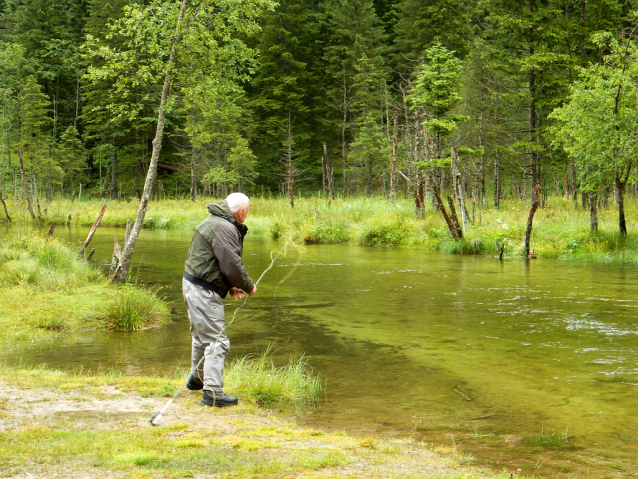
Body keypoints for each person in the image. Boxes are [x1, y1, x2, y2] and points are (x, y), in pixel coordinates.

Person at [182, 192, 257, 407]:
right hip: (202, 289)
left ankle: (197, 380)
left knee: (201, 336)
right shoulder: (225, 227)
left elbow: (217, 262)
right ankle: (213, 393)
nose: (247, 215)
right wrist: (248, 285)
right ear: (241, 212)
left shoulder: (216, 221)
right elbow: (231, 265)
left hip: (193, 283)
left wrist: (232, 285)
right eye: (247, 211)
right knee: (217, 341)